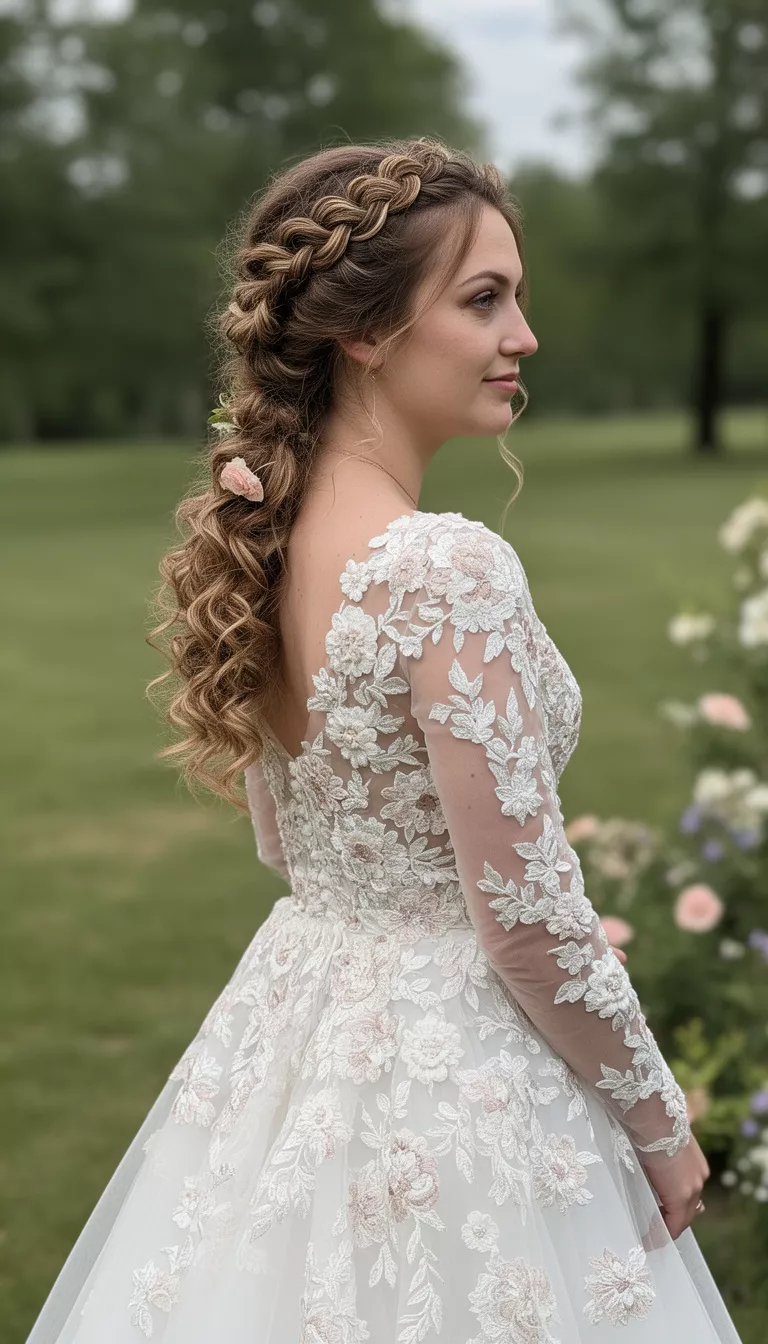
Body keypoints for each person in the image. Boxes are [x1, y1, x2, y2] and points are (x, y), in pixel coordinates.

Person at [24, 137, 741, 1343]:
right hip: (455, 1062)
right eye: (483, 300)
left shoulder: (271, 541)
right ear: (365, 330)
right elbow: (520, 911)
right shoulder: (444, 567)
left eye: (517, 298)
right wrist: (659, 1124)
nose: (523, 336)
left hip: (302, 1016)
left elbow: (281, 840)